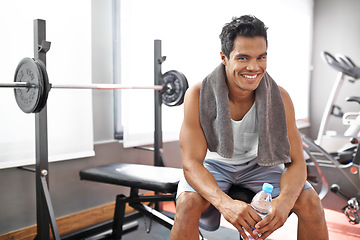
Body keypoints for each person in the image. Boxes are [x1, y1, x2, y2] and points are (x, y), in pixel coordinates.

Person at [170, 15, 329, 240]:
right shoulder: (197, 95)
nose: (254, 67)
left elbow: (296, 162)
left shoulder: (281, 97)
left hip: (260, 165)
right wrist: (226, 204)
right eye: (243, 58)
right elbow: (191, 164)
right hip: (215, 165)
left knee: (311, 202)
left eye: (261, 57)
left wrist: (284, 203)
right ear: (224, 57)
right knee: (186, 205)